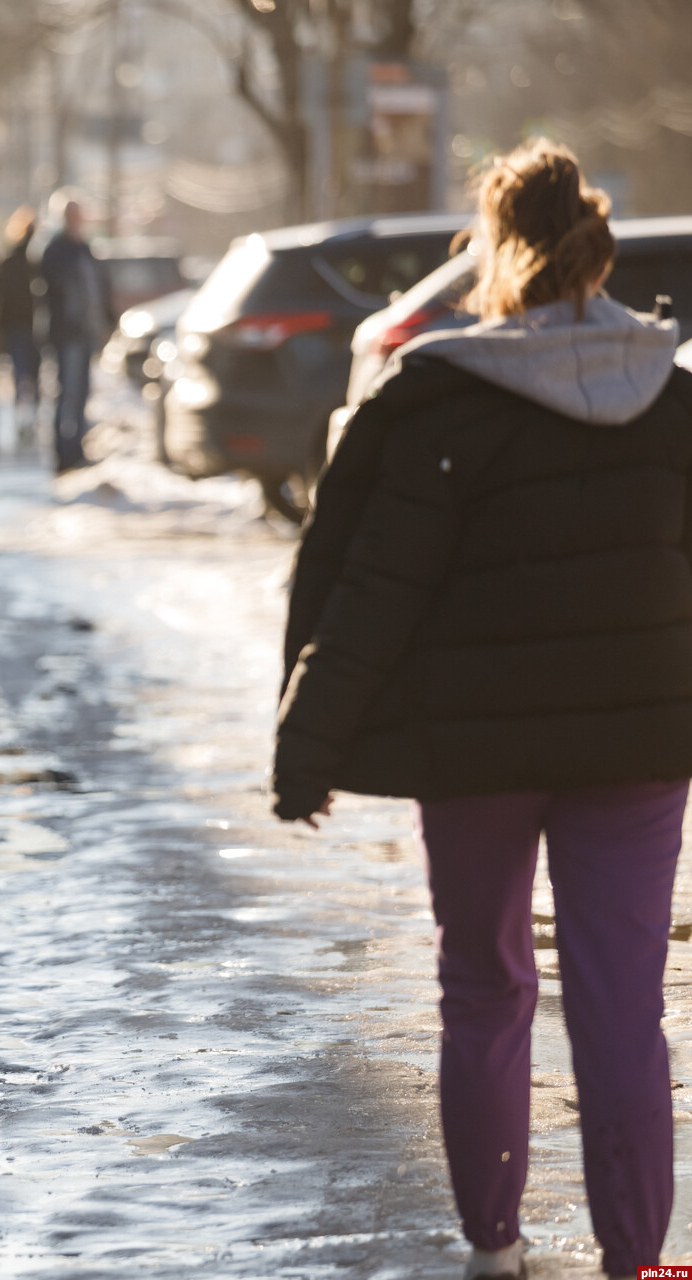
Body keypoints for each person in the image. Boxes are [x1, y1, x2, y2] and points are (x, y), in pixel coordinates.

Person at [273, 140, 690, 1280]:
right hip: (641, 745)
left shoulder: (443, 399)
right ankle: (637, 1259)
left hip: (476, 754)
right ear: (599, 248)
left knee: (485, 984)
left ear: (493, 253)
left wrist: (307, 745)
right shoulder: (675, 400)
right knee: (621, 1003)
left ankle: (497, 1243)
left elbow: (371, 582)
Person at [40, 198, 113, 472]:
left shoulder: (85, 248)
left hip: (86, 331)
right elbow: (55, 286)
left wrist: (107, 317)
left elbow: (100, 287)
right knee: (66, 392)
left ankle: (78, 448)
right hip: (66, 332)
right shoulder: (56, 250)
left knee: (82, 392)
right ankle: (62, 452)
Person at [0, 207, 42, 425]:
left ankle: (22, 414)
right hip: (30, 322)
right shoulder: (35, 260)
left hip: (17, 323)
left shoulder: (12, 259)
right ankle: (30, 413)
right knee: (33, 370)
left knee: (20, 371)